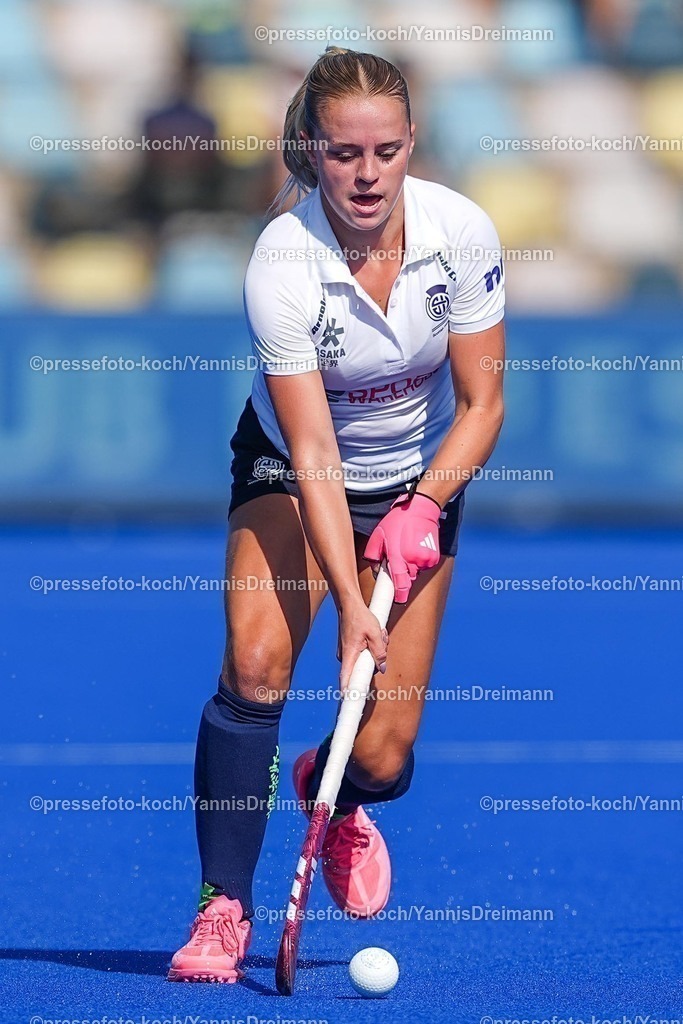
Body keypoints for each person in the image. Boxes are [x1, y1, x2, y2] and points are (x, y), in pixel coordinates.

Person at [168, 46, 505, 984]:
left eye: (385, 152)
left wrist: (423, 504)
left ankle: (333, 783)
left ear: (411, 146)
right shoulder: (282, 263)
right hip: (290, 468)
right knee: (256, 664)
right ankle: (221, 909)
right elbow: (314, 452)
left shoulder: (462, 232)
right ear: (313, 151)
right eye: (345, 154)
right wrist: (352, 606)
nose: (366, 175)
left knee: (387, 758)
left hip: (418, 477)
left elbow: (482, 407)